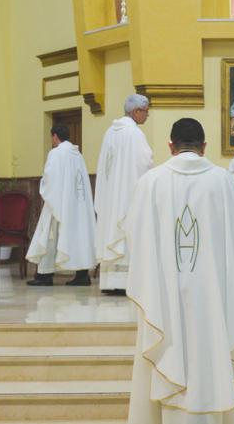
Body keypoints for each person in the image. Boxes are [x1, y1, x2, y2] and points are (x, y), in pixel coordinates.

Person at [125, 118, 234, 424]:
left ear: (170, 146)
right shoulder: (223, 182)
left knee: (164, 348)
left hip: (162, 292)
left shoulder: (150, 182)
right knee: (206, 359)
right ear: (203, 146)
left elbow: (134, 235)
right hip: (210, 295)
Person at [94, 95, 153, 297]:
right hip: (126, 195)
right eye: (146, 111)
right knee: (125, 232)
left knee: (112, 230)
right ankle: (125, 281)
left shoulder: (110, 132)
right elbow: (144, 163)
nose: (147, 115)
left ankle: (110, 282)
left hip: (111, 196)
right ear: (136, 111)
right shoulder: (134, 134)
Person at [26, 124, 96, 287]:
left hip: (59, 203)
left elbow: (50, 178)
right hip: (77, 205)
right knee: (78, 237)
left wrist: (45, 189)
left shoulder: (56, 153)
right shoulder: (77, 154)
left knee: (49, 237)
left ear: (55, 136)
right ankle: (82, 275)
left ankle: (44, 276)